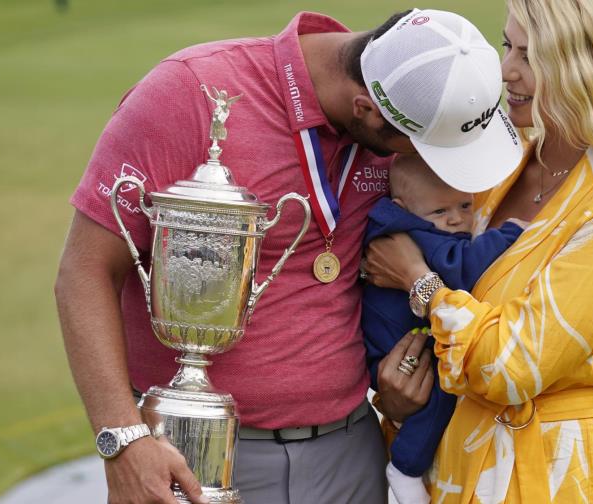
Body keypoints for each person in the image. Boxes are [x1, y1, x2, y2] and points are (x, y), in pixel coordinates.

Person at [54, 8, 522, 504]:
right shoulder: (192, 92)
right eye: (425, 148)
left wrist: (396, 392)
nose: (433, 164)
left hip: (354, 449)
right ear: (366, 110)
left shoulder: (406, 108)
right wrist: (122, 440)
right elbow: (85, 271)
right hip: (199, 456)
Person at [365, 0, 593, 502]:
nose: (506, 70)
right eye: (508, 46)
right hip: (443, 464)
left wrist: (420, 283)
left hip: (546, 473)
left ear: (587, 69)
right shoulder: (495, 169)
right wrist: (397, 396)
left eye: (530, 56)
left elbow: (509, 366)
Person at [361, 154, 525, 503]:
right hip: (398, 349)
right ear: (402, 207)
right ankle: (405, 467)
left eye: (465, 205)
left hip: (394, 340)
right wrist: (511, 233)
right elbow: (460, 267)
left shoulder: (408, 223)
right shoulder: (417, 235)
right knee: (444, 391)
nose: (456, 219)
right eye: (440, 212)